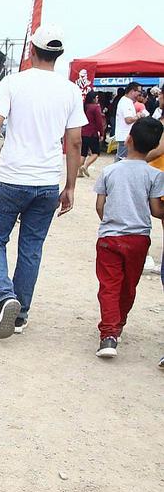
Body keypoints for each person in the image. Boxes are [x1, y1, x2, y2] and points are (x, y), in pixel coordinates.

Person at [0, 23, 87, 339]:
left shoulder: (13, 83)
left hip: (12, 178)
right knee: (31, 247)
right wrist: (70, 185)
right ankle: (20, 316)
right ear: (58, 55)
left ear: (32, 50)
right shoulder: (71, 90)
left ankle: (5, 296)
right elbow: (74, 142)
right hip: (47, 182)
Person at [93, 117, 164, 358]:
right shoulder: (154, 175)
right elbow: (156, 210)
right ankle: (119, 323)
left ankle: (109, 334)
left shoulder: (109, 170)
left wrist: (108, 220)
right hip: (139, 238)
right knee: (128, 286)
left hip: (110, 237)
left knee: (109, 285)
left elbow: (100, 205)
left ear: (129, 139)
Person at [79, 91, 107, 177]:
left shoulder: (84, 107)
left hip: (83, 132)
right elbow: (99, 122)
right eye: (97, 97)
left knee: (83, 153)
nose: (98, 99)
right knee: (96, 152)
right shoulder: (96, 107)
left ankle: (79, 171)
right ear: (93, 98)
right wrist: (102, 133)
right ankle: (85, 165)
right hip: (92, 133)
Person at [114, 82, 141, 161]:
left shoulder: (127, 101)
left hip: (126, 136)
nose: (140, 94)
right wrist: (138, 116)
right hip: (125, 136)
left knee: (122, 158)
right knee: (121, 159)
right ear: (132, 91)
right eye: (139, 92)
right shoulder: (126, 102)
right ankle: (114, 173)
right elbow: (128, 120)